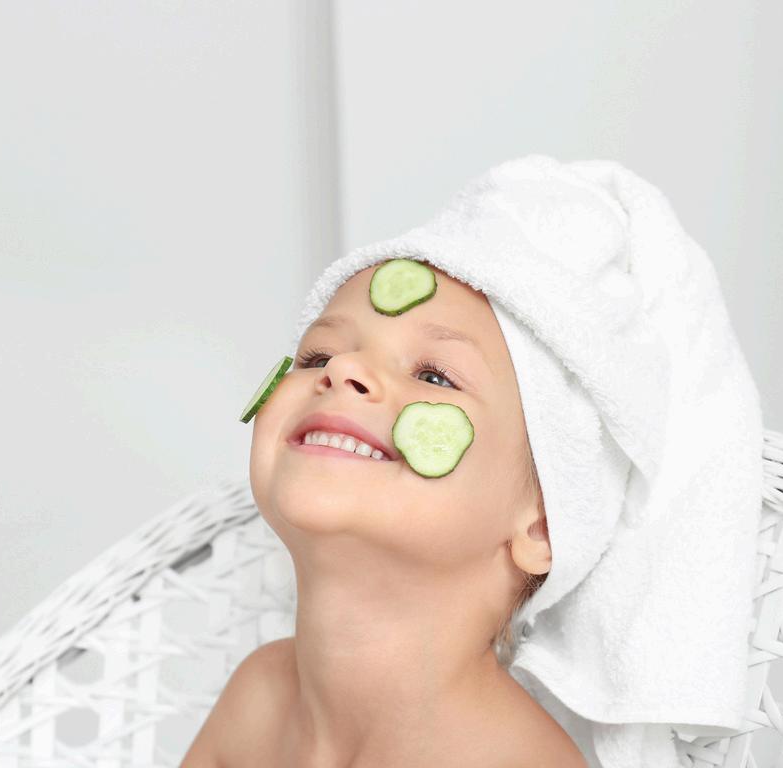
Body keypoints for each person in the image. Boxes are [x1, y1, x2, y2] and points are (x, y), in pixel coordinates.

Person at [180, 263, 585, 766]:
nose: (343, 369)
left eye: (434, 375)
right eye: (318, 356)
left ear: (543, 525)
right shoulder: (256, 699)